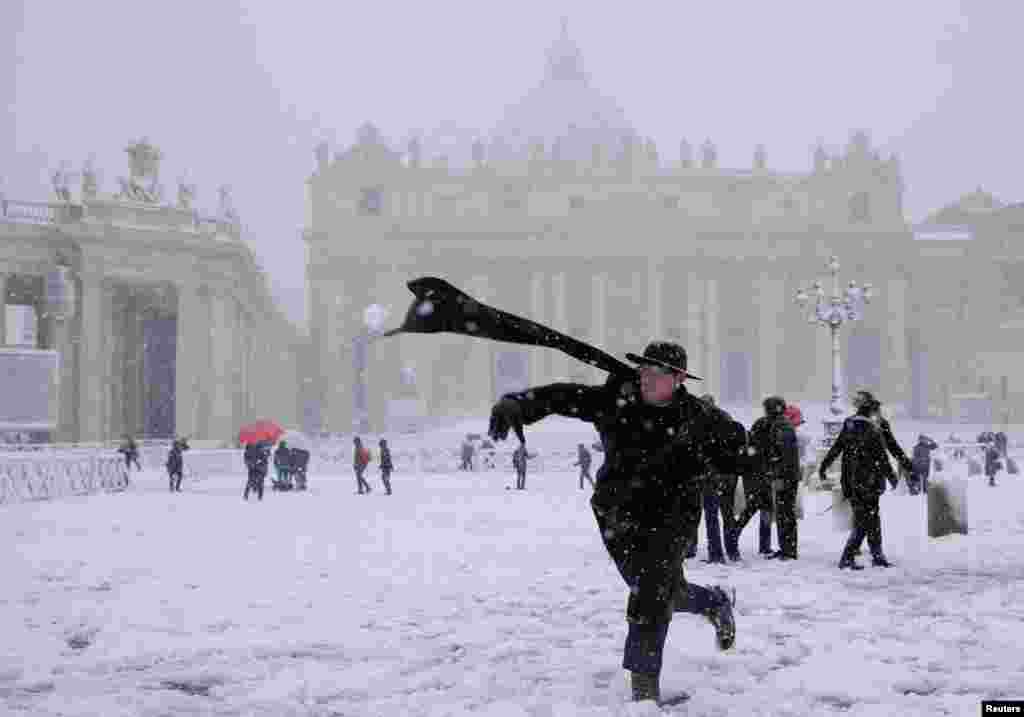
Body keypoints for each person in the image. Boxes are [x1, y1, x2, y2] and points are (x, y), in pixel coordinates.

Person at [488, 341, 743, 704]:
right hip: (618, 513)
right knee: (664, 590)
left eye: (656, 374)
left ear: (679, 378)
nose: (646, 380)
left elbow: (738, 448)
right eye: (643, 372)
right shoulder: (615, 400)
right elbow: (565, 395)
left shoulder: (700, 416)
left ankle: (644, 695)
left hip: (672, 516)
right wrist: (520, 403)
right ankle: (714, 602)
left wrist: (742, 457)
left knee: (652, 591)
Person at [818, 391, 916, 569]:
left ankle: (876, 554)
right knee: (868, 518)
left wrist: (824, 466)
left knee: (867, 517)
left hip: (851, 479)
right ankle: (851, 556)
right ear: (873, 408)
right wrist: (902, 471)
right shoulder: (876, 426)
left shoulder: (850, 424)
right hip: (870, 480)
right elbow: (888, 451)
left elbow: (837, 448)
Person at [726, 397, 795, 560]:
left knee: (761, 507)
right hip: (761, 473)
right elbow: (761, 449)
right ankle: (737, 536)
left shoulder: (762, 424)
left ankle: (759, 544)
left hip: (758, 472)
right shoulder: (773, 425)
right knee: (758, 507)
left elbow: (752, 446)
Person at [695, 394, 746, 564]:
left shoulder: (702, 424)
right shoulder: (732, 424)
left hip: (711, 475)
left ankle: (716, 554)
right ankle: (733, 551)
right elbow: (742, 447)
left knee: (711, 515)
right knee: (728, 513)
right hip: (730, 475)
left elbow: (698, 451)